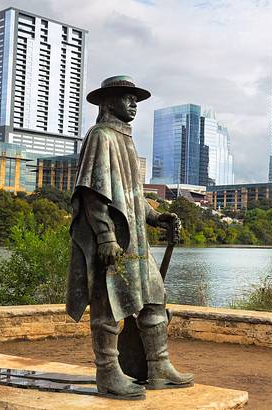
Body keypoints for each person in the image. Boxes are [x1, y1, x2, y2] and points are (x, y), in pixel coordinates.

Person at [66, 76, 193, 400]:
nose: (134, 103)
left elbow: (132, 197)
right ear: (108, 102)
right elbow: (93, 194)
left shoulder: (126, 140)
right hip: (113, 244)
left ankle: (158, 368)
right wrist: (106, 236)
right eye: (127, 98)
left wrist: (156, 217)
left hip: (136, 243)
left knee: (154, 301)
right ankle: (108, 372)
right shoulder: (101, 136)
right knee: (108, 309)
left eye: (135, 98)